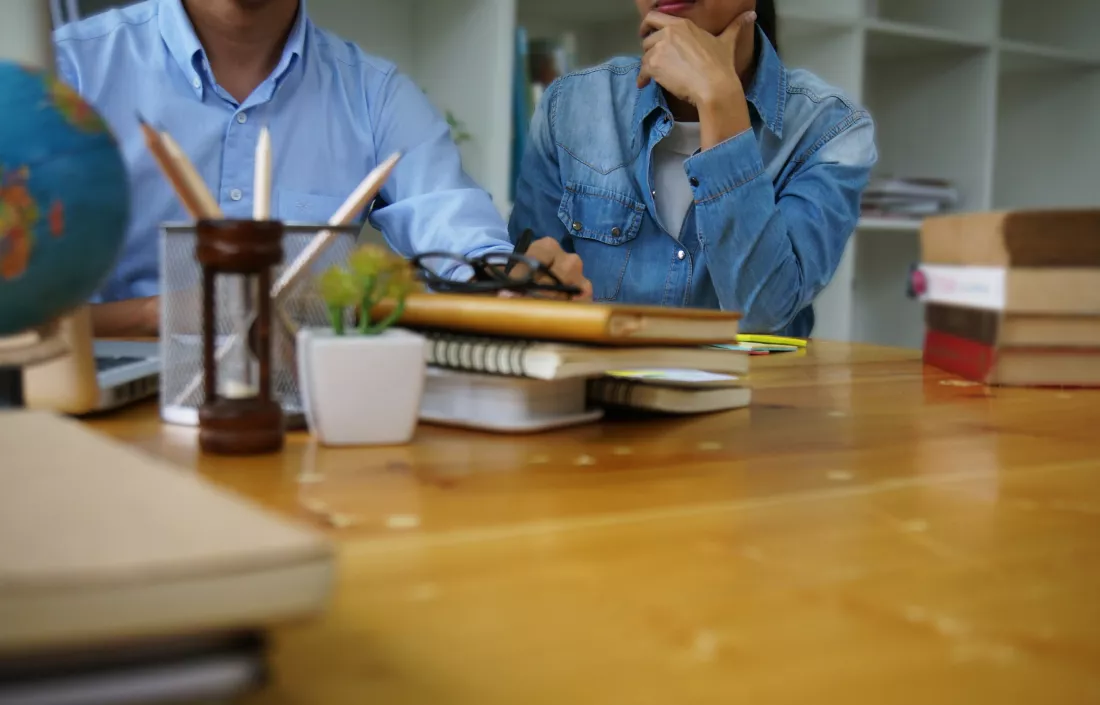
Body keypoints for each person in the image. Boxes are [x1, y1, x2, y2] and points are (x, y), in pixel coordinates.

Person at [54, 0, 589, 337]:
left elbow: (465, 245)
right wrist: (158, 314)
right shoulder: (67, 72)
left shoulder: (374, 95)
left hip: (298, 417)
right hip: (90, 407)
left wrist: (514, 281)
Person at [509, 0, 877, 336]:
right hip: (594, 397)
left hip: (750, 402)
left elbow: (763, 316)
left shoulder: (831, 128)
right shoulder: (571, 105)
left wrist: (720, 100)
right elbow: (520, 299)